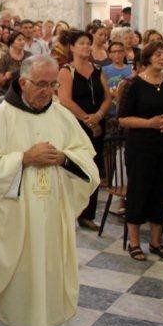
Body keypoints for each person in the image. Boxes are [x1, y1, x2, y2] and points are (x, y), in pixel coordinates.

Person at [0, 56, 99, 326]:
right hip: (14, 222)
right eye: (41, 84)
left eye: (52, 84)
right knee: (14, 285)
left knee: (51, 282)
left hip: (53, 220)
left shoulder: (62, 116)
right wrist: (24, 158)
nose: (48, 91)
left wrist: (64, 158)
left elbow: (88, 161)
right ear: (23, 82)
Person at [116, 41, 163, 261]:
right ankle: (134, 242)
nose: (162, 58)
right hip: (141, 146)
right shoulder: (134, 84)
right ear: (147, 57)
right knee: (139, 191)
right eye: (157, 54)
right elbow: (123, 119)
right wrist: (150, 123)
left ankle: (156, 242)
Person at [57, 30, 111, 232]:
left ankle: (88, 214)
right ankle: (71, 211)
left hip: (97, 124)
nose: (86, 46)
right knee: (76, 167)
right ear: (72, 47)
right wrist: (88, 120)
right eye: (82, 43)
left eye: (88, 43)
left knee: (93, 167)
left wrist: (99, 115)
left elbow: (107, 97)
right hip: (76, 125)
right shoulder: (66, 71)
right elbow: (65, 100)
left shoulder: (97, 70)